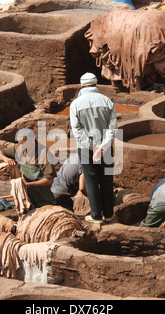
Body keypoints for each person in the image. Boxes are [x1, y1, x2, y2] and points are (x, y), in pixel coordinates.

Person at [69, 72, 117, 224]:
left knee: (91, 181)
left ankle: (96, 215)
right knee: (107, 179)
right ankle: (109, 213)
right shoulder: (107, 101)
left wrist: (92, 147)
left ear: (82, 86)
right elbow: (112, 127)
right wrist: (103, 147)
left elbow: (77, 132)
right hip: (106, 148)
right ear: (96, 85)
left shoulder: (75, 104)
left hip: (86, 149)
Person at [0, 131, 57, 208]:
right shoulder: (19, 148)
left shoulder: (43, 153)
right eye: (20, 143)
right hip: (25, 196)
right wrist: (6, 159)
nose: (22, 146)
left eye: (24, 143)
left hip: (42, 197)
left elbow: (50, 179)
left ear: (32, 140)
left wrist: (29, 184)